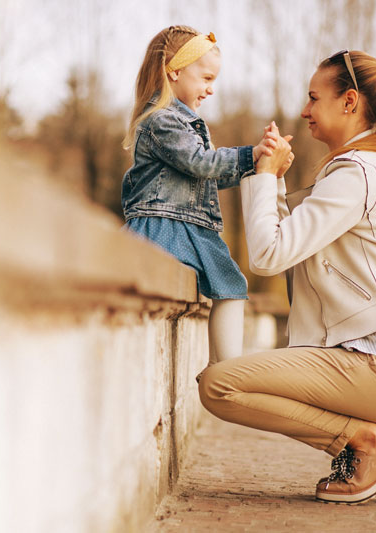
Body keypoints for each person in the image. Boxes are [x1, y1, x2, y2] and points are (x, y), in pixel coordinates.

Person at [198, 50, 376, 504]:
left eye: (314, 98)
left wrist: (264, 173)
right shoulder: (349, 172)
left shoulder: (356, 175)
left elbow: (269, 255)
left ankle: (369, 444)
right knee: (219, 384)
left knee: (220, 385)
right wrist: (271, 181)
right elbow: (286, 241)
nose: (304, 110)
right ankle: (368, 444)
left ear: (349, 102)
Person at [121, 25, 283, 366]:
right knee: (231, 284)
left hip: (186, 225)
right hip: (167, 225)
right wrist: (250, 155)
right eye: (206, 78)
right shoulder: (162, 120)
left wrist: (260, 166)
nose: (210, 90)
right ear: (175, 71)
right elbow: (199, 163)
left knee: (232, 284)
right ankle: (225, 372)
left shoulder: (186, 122)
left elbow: (204, 177)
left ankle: (224, 370)